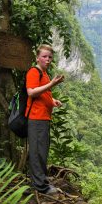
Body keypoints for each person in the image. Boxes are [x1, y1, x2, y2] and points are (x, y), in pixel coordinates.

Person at [26, 44, 64, 194]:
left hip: (43, 118)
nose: (47, 60)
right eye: (44, 56)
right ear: (37, 57)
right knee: (37, 152)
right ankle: (40, 186)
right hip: (36, 118)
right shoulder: (34, 72)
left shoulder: (44, 73)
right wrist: (52, 84)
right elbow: (31, 92)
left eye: (49, 57)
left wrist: (52, 100)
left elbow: (42, 94)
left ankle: (40, 181)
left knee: (42, 151)